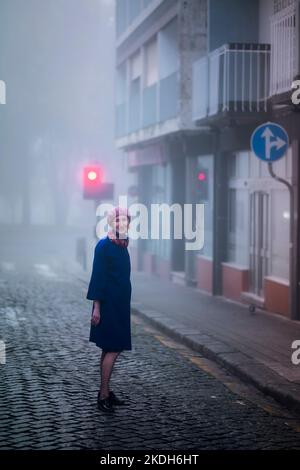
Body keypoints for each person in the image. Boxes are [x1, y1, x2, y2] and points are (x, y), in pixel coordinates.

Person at [86, 206, 132, 412]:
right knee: (113, 348)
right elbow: (98, 278)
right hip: (108, 305)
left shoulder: (122, 244)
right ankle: (103, 395)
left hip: (120, 304)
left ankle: (105, 391)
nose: (122, 223)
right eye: (118, 219)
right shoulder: (104, 246)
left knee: (109, 348)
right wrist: (97, 308)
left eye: (126, 220)